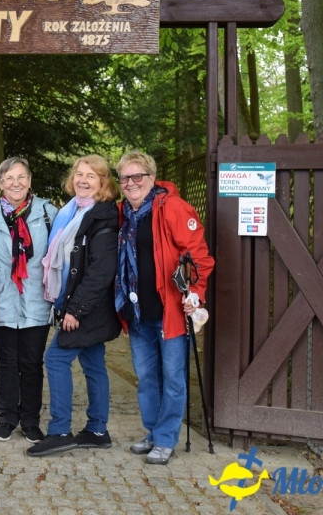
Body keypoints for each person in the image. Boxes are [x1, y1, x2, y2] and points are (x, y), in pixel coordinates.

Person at [114, 151, 214, 465]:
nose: (131, 183)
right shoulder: (123, 214)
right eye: (125, 178)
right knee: (146, 377)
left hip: (170, 310)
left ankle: (166, 438)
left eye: (137, 176)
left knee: (173, 377)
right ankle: (154, 432)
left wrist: (195, 293)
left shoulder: (170, 207)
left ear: (151, 177)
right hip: (138, 312)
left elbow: (198, 255)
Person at [26, 155, 121, 457]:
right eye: (79, 174)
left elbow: (100, 270)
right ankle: (97, 431)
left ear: (103, 182)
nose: (82, 180)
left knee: (55, 359)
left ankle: (60, 431)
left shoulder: (102, 216)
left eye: (91, 176)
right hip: (86, 304)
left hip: (89, 307)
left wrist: (74, 310)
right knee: (94, 363)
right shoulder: (72, 212)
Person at [0, 157, 59, 444]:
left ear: (30, 180)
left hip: (37, 300)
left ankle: (30, 420)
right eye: (9, 178)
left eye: (21, 177)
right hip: (2, 299)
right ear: (0, 183)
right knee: (6, 362)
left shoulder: (48, 212)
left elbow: (58, 259)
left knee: (31, 363)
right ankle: (7, 418)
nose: (16, 183)